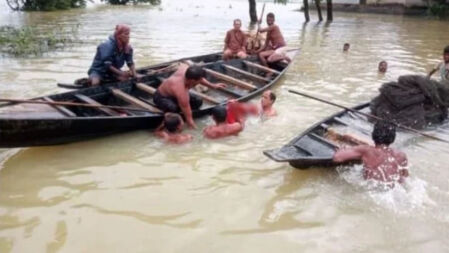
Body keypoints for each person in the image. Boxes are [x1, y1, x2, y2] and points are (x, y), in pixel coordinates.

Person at [333, 122, 409, 186]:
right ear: (393, 139)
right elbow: (404, 177)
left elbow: (337, 158)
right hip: (394, 190)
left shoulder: (366, 150)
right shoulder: (401, 155)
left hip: (373, 188)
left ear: (373, 135)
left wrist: (342, 149)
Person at [153, 63, 226, 129]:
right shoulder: (180, 89)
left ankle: (180, 106)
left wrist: (213, 85)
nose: (200, 81)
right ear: (192, 81)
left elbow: (200, 79)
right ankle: (175, 112)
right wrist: (193, 126)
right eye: (198, 81)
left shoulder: (188, 71)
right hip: (161, 97)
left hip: (175, 95)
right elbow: (189, 119)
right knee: (173, 108)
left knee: (198, 101)